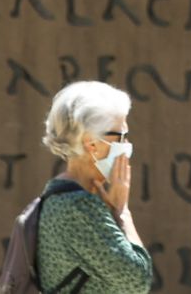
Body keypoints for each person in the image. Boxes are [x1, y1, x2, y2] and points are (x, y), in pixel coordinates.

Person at [37, 80, 154, 293]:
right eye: (121, 136)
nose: (126, 145)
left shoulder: (61, 195)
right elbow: (137, 281)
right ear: (92, 144)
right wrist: (122, 212)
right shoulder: (78, 206)